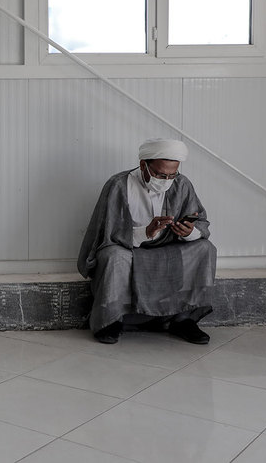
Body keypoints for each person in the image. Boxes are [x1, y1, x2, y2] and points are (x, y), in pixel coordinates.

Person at [77, 138, 216, 344]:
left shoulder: (182, 183)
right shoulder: (118, 185)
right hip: (130, 248)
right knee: (113, 255)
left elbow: (201, 225)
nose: (167, 180)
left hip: (169, 247)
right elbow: (107, 234)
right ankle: (112, 320)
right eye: (161, 174)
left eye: (172, 175)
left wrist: (188, 232)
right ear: (144, 165)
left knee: (204, 248)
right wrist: (147, 232)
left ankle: (183, 319)